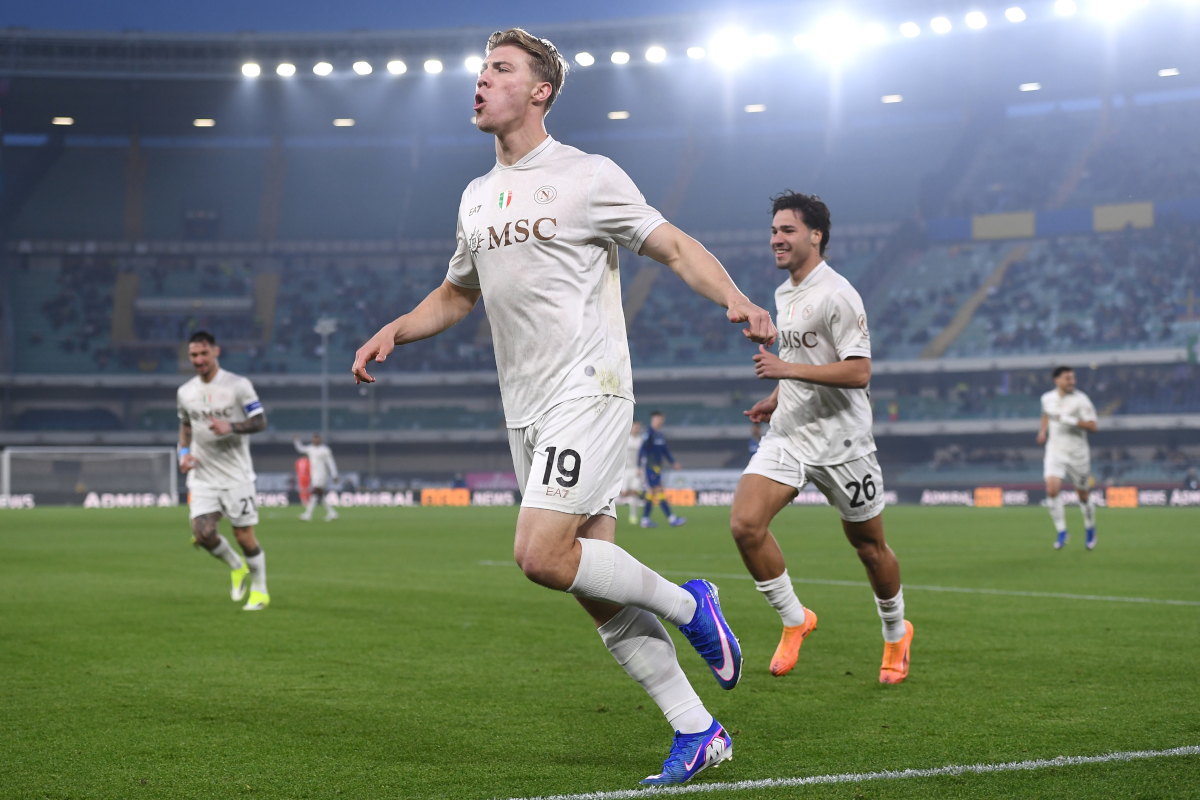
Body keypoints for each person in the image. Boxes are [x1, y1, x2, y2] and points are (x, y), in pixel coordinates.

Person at [351, 28, 776, 786]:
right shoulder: (476, 196)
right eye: (481, 69)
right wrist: (396, 329)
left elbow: (673, 246)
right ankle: (699, 730)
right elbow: (457, 292)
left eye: (499, 70)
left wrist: (737, 297)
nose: (480, 81)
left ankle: (692, 603)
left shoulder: (587, 175)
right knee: (589, 583)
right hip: (528, 406)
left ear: (540, 90)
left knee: (539, 556)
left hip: (592, 387)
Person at [729, 191, 913, 685]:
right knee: (746, 524)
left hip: (844, 443)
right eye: (773, 231)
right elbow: (808, 365)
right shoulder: (784, 293)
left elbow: (859, 372)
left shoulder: (838, 294)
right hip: (791, 432)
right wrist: (779, 396)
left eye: (787, 230)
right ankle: (795, 619)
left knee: (870, 548)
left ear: (817, 236)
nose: (776, 240)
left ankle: (896, 633)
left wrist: (785, 368)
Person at [177, 331, 270, 611]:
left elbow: (260, 421)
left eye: (204, 353)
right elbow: (185, 426)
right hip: (203, 475)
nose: (199, 360)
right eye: (194, 355)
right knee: (203, 534)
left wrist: (231, 427)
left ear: (215, 352)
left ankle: (260, 590)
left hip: (236, 476)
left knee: (244, 537)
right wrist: (183, 453)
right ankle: (236, 566)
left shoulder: (238, 386)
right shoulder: (185, 392)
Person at [1037, 366, 1098, 550]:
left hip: (1077, 454)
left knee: (1083, 495)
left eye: (1073, 378)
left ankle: (1090, 527)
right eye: (1068, 379)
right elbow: (1046, 413)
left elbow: (1094, 427)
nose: (1072, 382)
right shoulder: (1047, 398)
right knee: (1052, 489)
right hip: (1055, 451)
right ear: (1057, 381)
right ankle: (1062, 531)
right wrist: (1042, 431)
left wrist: (1071, 421)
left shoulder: (1081, 400)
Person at [639, 410, 687, 528]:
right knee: (659, 490)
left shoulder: (660, 434)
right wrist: (638, 466)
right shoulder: (648, 433)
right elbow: (642, 449)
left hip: (657, 468)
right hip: (650, 467)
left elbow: (665, 451)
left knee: (652, 492)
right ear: (653, 420)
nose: (660, 421)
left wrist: (673, 463)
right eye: (658, 419)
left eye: (661, 419)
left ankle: (645, 519)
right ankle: (671, 518)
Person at [294, 433, 340, 521]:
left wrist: (334, 474)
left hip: (322, 474)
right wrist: (296, 441)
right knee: (319, 494)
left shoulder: (325, 450)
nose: (316, 440)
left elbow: (331, 463)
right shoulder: (310, 449)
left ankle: (308, 515)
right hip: (314, 475)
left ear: (320, 440)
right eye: (315, 439)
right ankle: (332, 513)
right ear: (313, 440)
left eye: (317, 439)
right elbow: (300, 449)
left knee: (315, 492)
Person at [618, 420, 645, 524]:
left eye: (637, 427)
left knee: (634, 492)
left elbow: (644, 456)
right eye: (634, 427)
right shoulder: (625, 439)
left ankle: (633, 515)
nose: (636, 429)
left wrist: (641, 468)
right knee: (624, 493)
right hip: (625, 469)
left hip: (636, 469)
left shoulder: (641, 440)